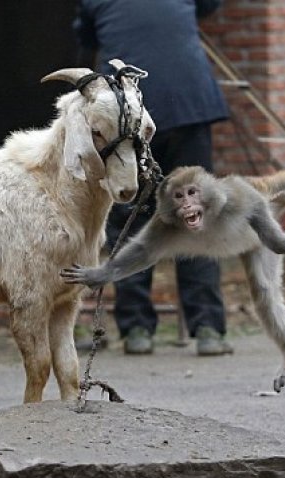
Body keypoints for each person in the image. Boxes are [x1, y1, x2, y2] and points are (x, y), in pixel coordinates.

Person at [74, 0, 232, 356]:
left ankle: (137, 330)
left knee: (130, 217)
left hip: (130, 116)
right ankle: (208, 328)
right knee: (198, 215)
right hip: (186, 105)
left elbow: (86, 44)